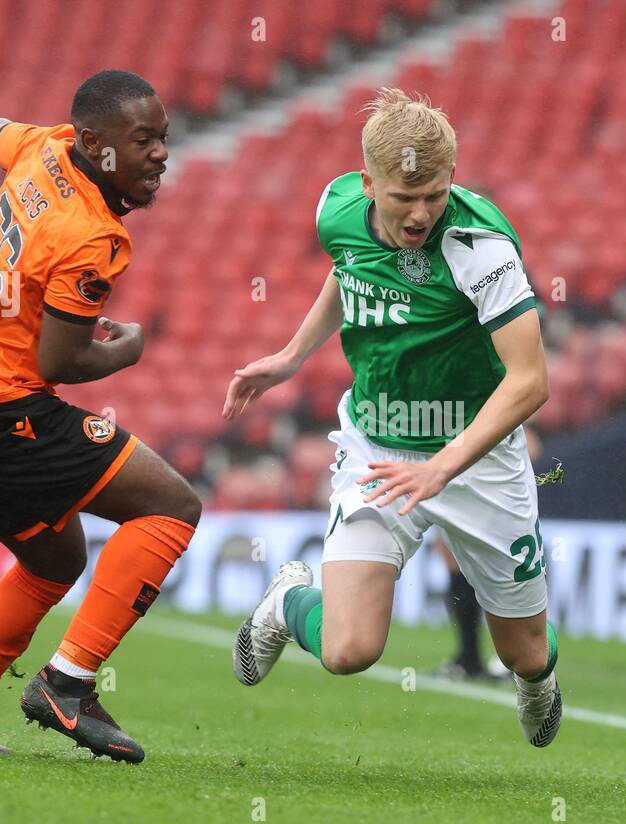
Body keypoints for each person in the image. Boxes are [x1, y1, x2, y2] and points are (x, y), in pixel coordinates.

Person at [222, 89, 561, 747]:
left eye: (434, 193)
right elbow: (349, 270)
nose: (421, 212)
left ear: (452, 179)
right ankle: (291, 601)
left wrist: (442, 466)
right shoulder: (337, 211)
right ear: (366, 182)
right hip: (379, 449)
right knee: (350, 650)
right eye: (404, 198)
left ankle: (538, 681)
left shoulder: (481, 247)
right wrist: (292, 356)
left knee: (524, 651)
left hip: (476, 457)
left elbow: (531, 381)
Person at [0, 70, 201, 761]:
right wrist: (128, 351)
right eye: (144, 140)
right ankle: (67, 683)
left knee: (54, 558)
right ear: (97, 143)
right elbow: (62, 362)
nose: (159, 154)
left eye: (163, 139)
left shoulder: (49, 147)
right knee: (172, 507)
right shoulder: (92, 234)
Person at [432, 422, 543, 681]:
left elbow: (532, 440)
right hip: (453, 468)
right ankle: (469, 657)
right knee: (452, 556)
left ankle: (520, 655)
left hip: (492, 475)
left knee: (509, 561)